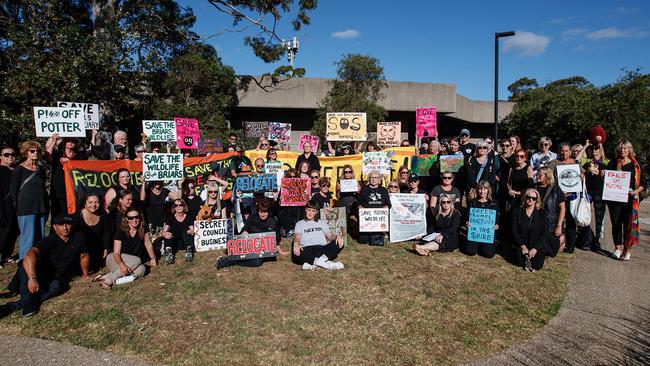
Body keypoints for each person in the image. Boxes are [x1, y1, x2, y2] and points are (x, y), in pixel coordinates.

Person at [0, 214, 89, 318]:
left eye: (68, 224)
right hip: (37, 273)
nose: (65, 227)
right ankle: (23, 298)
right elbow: (30, 254)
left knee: (57, 287)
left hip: (54, 277)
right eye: (61, 224)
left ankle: (12, 306)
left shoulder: (79, 238)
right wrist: (32, 278)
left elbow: (84, 256)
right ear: (55, 227)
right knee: (26, 264)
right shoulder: (50, 240)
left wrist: (85, 274)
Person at [216, 199, 285, 269]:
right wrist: (244, 231)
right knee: (245, 255)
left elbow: (276, 239)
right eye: (260, 212)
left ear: (268, 212)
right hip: (249, 245)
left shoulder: (273, 221)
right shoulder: (253, 217)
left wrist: (280, 251)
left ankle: (231, 262)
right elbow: (245, 228)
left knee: (257, 262)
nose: (263, 214)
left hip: (262, 248)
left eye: (265, 212)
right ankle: (223, 262)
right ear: (258, 211)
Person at [606, 140, 645, 261]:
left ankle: (627, 249)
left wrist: (635, 192)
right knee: (616, 224)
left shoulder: (636, 165)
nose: (622, 150)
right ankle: (617, 248)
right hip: (615, 200)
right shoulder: (613, 162)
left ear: (629, 150)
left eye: (625, 148)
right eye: (621, 148)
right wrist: (603, 174)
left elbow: (643, 183)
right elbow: (607, 177)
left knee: (628, 226)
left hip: (630, 201)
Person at [98, 208, 156, 289]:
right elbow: (116, 253)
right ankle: (109, 280)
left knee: (142, 269)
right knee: (137, 260)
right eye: (131, 218)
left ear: (140, 217)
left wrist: (153, 258)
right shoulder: (120, 231)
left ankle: (112, 277)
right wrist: (122, 265)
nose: (134, 220)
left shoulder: (143, 228)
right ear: (126, 218)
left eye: (137, 217)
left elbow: (148, 243)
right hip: (115, 258)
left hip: (132, 262)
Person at [10, 141, 49, 260]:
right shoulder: (19, 169)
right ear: (26, 153)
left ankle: (38, 263)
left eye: (37, 151)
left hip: (41, 206)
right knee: (28, 237)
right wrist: (17, 206)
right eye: (32, 151)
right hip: (26, 207)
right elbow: (14, 190)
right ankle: (24, 264)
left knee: (39, 237)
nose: (35, 153)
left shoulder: (40, 169)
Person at [548, 142, 584, 253]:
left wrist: (582, 177)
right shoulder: (554, 163)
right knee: (555, 219)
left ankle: (570, 245)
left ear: (570, 151)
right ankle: (555, 243)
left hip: (572, 196)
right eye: (562, 150)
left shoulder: (575, 163)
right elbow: (548, 175)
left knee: (570, 221)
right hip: (557, 196)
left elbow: (582, 174)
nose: (564, 153)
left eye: (566, 150)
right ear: (558, 151)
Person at [292, 200, 345, 270]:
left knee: (339, 242)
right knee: (296, 252)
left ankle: (313, 263)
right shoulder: (300, 223)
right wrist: (296, 243)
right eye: (309, 210)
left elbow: (330, 236)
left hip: (322, 249)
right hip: (307, 249)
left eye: (313, 211)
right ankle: (326, 264)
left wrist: (337, 236)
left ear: (316, 212)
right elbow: (297, 237)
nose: (310, 213)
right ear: (305, 210)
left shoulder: (321, 223)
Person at [511, 188, 549, 272]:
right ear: (524, 198)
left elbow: (545, 233)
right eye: (528, 197)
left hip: (536, 245)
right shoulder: (517, 211)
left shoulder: (542, 213)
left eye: (533, 198)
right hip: (521, 244)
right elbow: (514, 231)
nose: (530, 200)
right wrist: (523, 246)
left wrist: (536, 248)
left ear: (536, 200)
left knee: (537, 265)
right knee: (519, 262)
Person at [45, 135, 81, 219]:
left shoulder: (79, 156)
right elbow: (47, 156)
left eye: (73, 141)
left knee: (74, 217)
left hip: (75, 192)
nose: (71, 143)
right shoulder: (57, 155)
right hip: (59, 192)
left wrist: (94, 136)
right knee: (58, 217)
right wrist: (53, 140)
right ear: (64, 142)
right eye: (68, 140)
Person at [73, 194, 110, 271]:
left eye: (96, 202)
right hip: (81, 251)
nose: (93, 205)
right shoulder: (77, 216)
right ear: (85, 203)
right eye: (90, 202)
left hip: (97, 249)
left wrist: (106, 248)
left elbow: (106, 233)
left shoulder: (103, 215)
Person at [535, 166, 566, 257]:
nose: (537, 176)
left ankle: (561, 239)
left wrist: (559, 226)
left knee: (551, 251)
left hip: (550, 222)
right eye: (537, 174)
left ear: (547, 176)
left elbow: (562, 208)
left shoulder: (556, 189)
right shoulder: (534, 187)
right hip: (537, 222)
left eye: (540, 175)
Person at [464, 181, 499, 258]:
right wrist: (467, 223)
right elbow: (468, 218)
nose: (482, 191)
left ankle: (483, 246)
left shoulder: (494, 203)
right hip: (475, 233)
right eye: (480, 189)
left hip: (487, 234)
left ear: (488, 190)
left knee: (488, 254)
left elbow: (496, 219)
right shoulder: (473, 202)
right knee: (470, 251)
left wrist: (497, 225)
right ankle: (477, 245)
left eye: (484, 189)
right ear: (477, 190)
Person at [357, 171, 391, 246]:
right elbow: (358, 202)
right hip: (367, 219)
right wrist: (360, 207)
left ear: (379, 179)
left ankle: (380, 233)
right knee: (362, 240)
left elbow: (388, 204)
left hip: (378, 219)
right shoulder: (364, 189)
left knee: (375, 240)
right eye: (372, 177)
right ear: (369, 179)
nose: (373, 179)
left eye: (376, 177)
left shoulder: (383, 190)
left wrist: (386, 207)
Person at [161, 199, 195, 264]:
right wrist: (165, 234)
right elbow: (164, 232)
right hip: (174, 242)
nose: (178, 207)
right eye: (176, 205)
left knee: (185, 230)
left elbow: (192, 231)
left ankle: (189, 252)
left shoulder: (189, 217)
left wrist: (190, 231)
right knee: (168, 233)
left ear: (184, 206)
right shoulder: (170, 217)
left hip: (185, 242)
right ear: (174, 207)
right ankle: (169, 254)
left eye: (181, 205)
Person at [0, 146, 18, 265]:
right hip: (3, 205)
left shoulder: (17, 170)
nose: (10, 156)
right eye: (6, 154)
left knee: (13, 230)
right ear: (1, 157)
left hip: (15, 206)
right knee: (3, 231)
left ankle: (7, 255)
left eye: (12, 154)